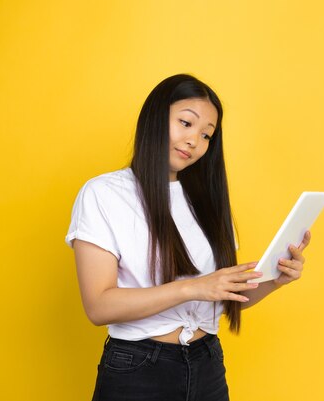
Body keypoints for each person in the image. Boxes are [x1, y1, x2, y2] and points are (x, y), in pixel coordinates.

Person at [65, 74, 311, 401]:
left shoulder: (206, 200)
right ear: (155, 117)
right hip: (138, 368)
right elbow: (98, 306)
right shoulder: (104, 193)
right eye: (185, 122)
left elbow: (222, 299)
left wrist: (275, 279)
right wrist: (193, 286)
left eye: (207, 134)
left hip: (207, 362)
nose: (195, 140)